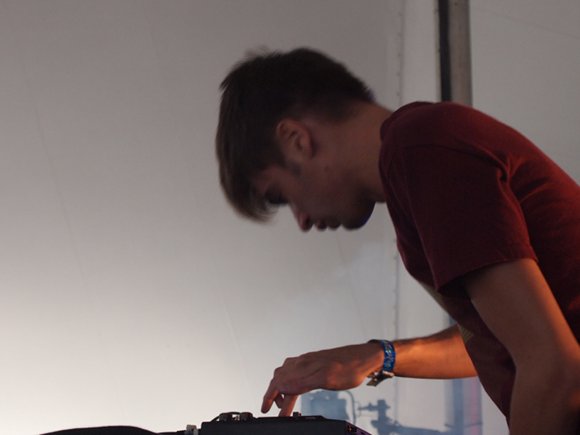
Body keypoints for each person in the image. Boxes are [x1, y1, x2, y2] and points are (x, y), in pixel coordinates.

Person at [215, 47, 580, 435]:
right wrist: (379, 356)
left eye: (280, 196)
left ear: (296, 139)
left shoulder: (425, 150)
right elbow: (501, 337)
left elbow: (552, 366)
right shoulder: (420, 158)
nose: (302, 221)